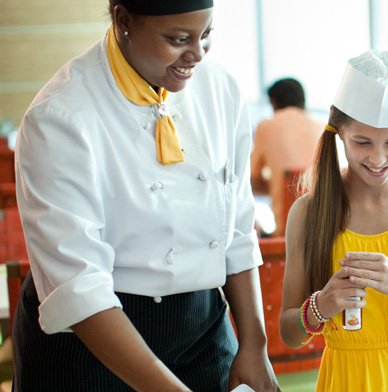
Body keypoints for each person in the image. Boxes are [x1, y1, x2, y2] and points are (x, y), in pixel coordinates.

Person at [13, 0, 279, 391]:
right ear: (123, 21)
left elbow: (237, 228)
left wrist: (255, 344)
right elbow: (78, 286)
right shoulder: (60, 116)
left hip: (200, 328)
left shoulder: (222, 90)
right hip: (92, 342)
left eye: (206, 35)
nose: (197, 54)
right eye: (177, 39)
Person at [279, 50, 388, 392]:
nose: (378, 157)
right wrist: (322, 304)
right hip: (345, 379)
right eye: (362, 142)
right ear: (340, 133)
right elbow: (289, 334)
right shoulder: (308, 213)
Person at [250, 77, 324, 237]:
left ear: (274, 102)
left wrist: (281, 185)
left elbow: (253, 178)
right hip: (326, 224)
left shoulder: (267, 126)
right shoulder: (321, 127)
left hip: (287, 230)